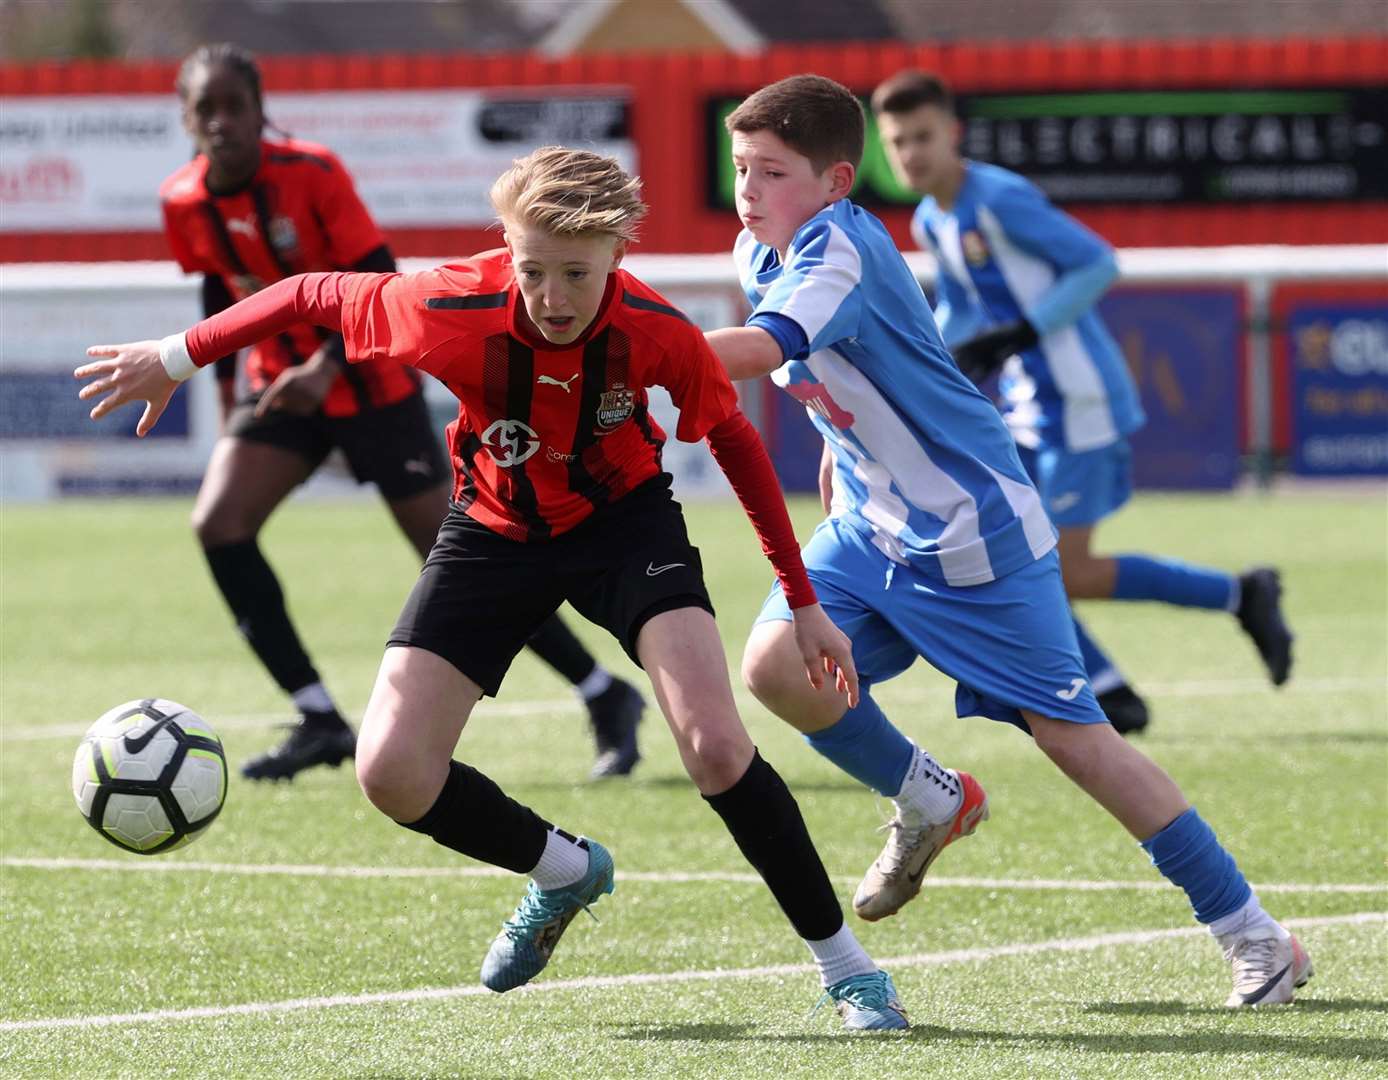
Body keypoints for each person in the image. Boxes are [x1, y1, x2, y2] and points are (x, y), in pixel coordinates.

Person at [77, 146, 911, 1030]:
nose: (552, 297)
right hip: (494, 531)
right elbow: (310, 291)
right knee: (392, 773)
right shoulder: (446, 304)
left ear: (618, 258)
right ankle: (563, 869)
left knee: (713, 746)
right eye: (533, 270)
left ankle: (849, 970)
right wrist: (175, 356)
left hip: (626, 528)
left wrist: (805, 603)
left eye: (576, 275)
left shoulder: (655, 330)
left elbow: (738, 447)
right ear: (505, 253)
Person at [704, 74, 1312, 1007]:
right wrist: (841, 454)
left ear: (832, 181)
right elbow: (836, 374)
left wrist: (620, 347)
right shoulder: (762, 247)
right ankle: (928, 798)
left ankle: (1257, 938)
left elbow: (761, 347)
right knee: (778, 666)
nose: (748, 189)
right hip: (872, 527)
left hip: (971, 537)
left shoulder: (839, 249)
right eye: (741, 167)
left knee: (1080, 745)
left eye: (770, 171)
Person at [162, 44, 643, 782]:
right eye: (206, 110)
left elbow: (379, 278)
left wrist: (325, 370)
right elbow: (218, 293)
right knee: (219, 525)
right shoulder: (184, 200)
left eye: (235, 106)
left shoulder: (313, 174)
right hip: (278, 388)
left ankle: (604, 692)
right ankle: (318, 715)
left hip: (368, 387)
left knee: (469, 559)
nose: (222, 123)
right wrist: (227, 392)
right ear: (188, 120)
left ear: (262, 111)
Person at [868, 70, 1295, 735]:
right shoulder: (933, 218)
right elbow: (958, 305)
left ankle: (1200, 622)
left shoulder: (1000, 199)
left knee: (1062, 568)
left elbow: (1097, 262)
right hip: (1026, 408)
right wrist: (924, 362)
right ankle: (1123, 674)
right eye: (898, 143)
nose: (912, 154)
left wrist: (1025, 331)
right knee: (1015, 551)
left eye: (923, 137)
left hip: (1080, 402)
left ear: (953, 134)